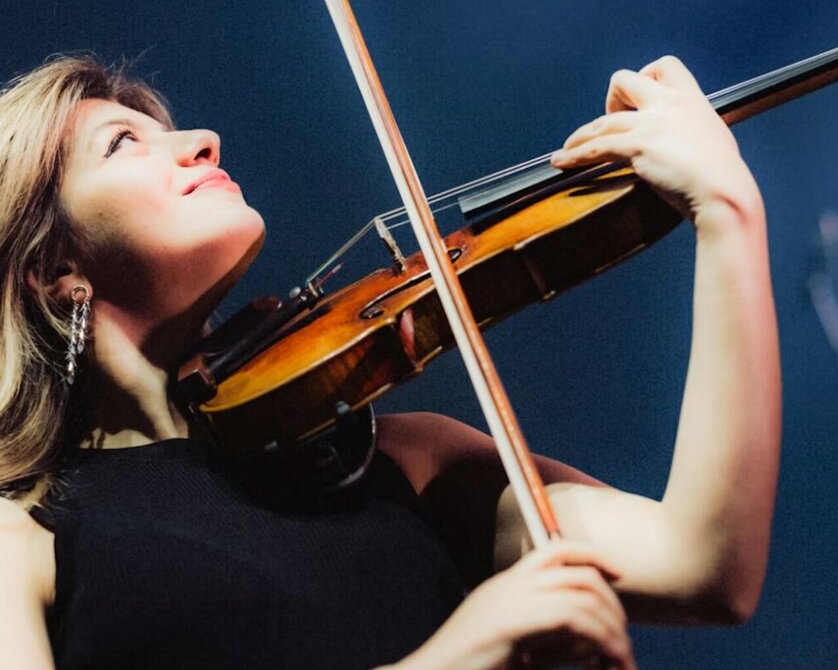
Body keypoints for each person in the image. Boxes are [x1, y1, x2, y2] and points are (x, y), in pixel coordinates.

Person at [0, 52, 779, 669]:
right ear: (56, 272)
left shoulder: (403, 458)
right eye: (123, 142)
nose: (201, 140)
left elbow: (704, 566)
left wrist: (727, 213)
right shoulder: (25, 538)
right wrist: (456, 655)